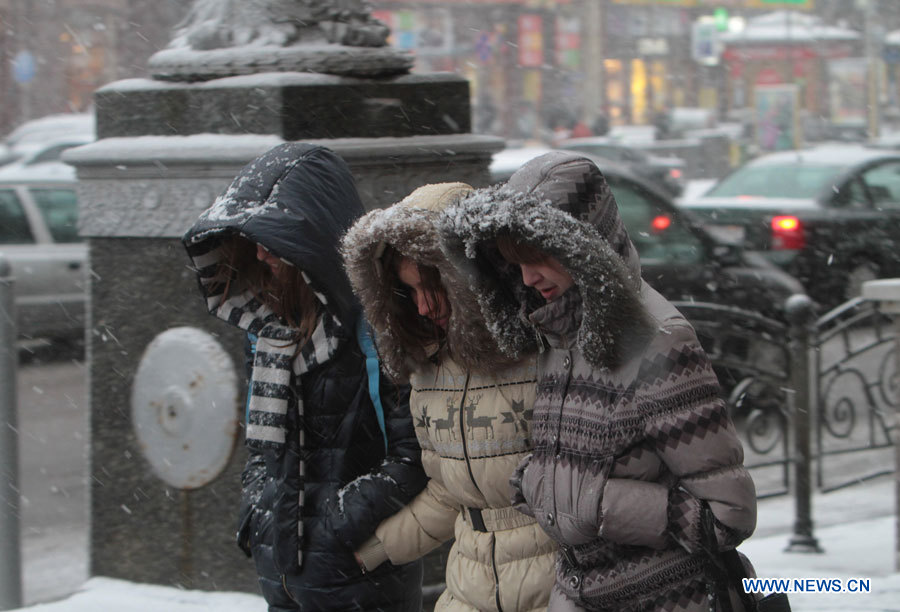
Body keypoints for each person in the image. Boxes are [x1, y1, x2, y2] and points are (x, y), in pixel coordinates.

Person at [438, 151, 758, 611]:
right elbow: (573, 472)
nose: (528, 278)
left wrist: (591, 501)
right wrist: (535, 482)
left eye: (537, 257)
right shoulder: (557, 332)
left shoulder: (658, 341)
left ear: (582, 247)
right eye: (513, 261)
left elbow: (729, 515)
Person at [182, 142, 428, 612]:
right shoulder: (267, 332)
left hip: (360, 580)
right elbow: (264, 448)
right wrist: (259, 510)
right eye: (252, 239)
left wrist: (336, 526)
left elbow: (413, 456)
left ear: (315, 241)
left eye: (272, 240)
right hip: (284, 578)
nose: (260, 253)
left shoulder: (375, 331)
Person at [341, 182, 557, 611]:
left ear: (467, 275)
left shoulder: (543, 353)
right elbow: (449, 493)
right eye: (409, 292)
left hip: (553, 589)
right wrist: (371, 553)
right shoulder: (429, 370)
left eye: (431, 285)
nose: (423, 308)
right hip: (467, 590)